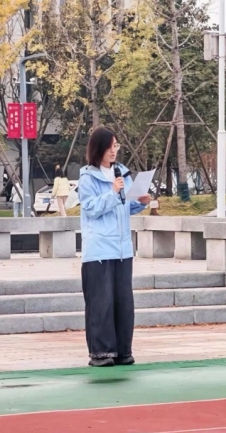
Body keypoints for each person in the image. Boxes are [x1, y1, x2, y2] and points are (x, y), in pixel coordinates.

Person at [78, 127, 151, 367]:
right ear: (98, 148)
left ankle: (122, 351)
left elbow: (124, 206)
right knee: (101, 303)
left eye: (116, 146)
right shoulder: (88, 178)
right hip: (99, 250)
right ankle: (101, 353)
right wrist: (112, 192)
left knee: (123, 303)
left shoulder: (122, 173)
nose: (113, 151)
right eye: (109, 147)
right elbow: (91, 208)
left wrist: (140, 202)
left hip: (122, 249)